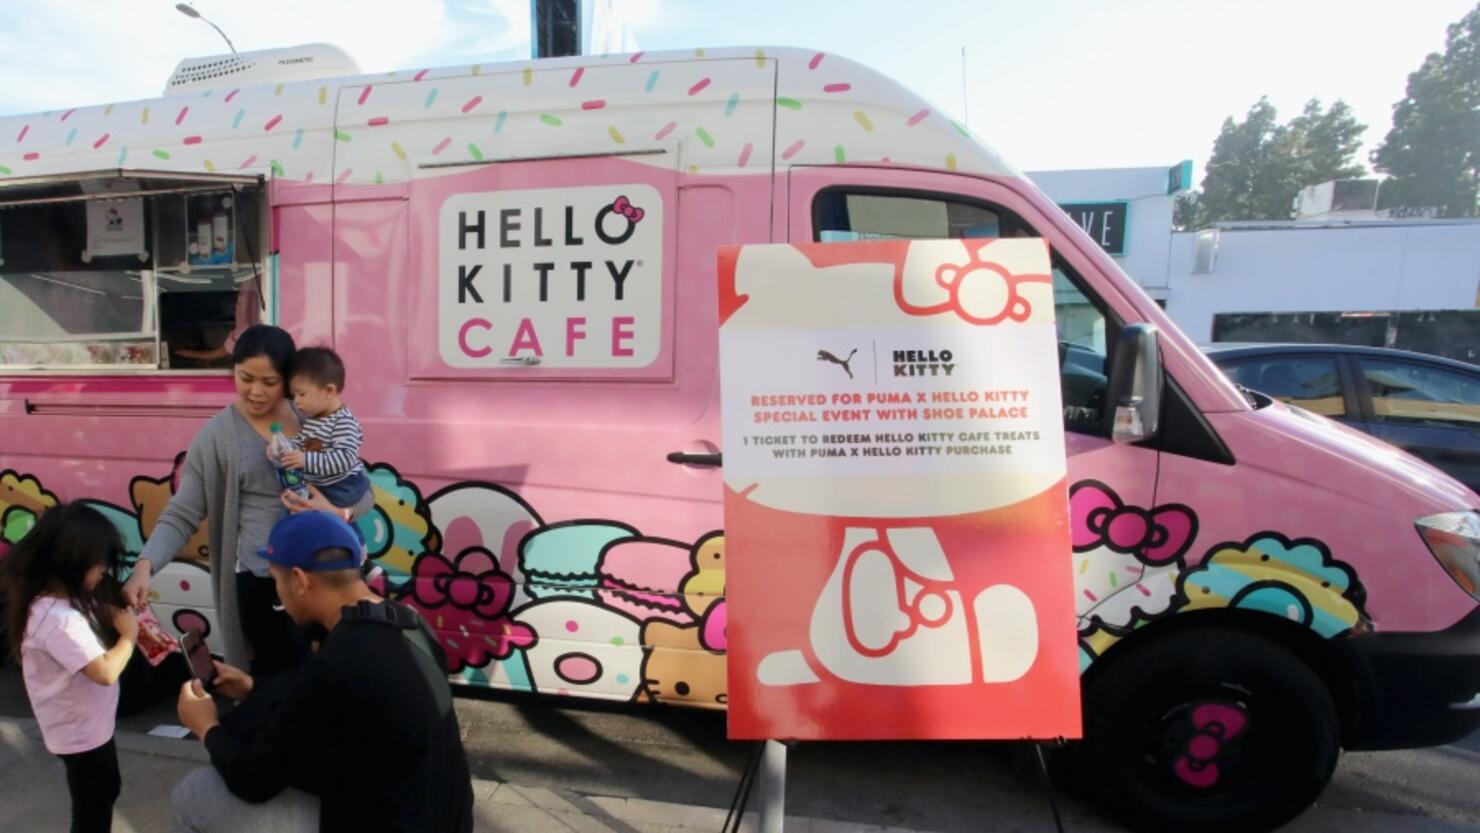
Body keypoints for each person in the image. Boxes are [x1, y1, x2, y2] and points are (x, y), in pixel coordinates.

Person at [171, 511, 475, 833]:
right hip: (445, 816)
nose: (280, 597)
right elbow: (326, 694)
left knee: (194, 795)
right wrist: (251, 686)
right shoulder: (408, 621)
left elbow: (253, 779)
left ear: (301, 581)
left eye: (277, 582)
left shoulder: (337, 662)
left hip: (391, 821)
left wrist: (205, 725)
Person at [122, 325, 373, 676]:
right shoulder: (219, 436)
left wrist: (340, 512)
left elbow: (362, 490)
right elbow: (183, 511)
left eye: (269, 382)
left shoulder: (313, 415)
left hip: (328, 580)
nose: (255, 392)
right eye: (245, 378)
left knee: (337, 682)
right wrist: (145, 566)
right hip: (265, 584)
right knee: (278, 685)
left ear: (287, 380)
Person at [1, 503, 138, 833]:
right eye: (99, 563)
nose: (104, 569)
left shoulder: (53, 598)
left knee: (104, 790)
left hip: (86, 726)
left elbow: (91, 608)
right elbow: (104, 672)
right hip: (81, 733)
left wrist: (112, 612)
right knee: (93, 808)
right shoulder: (59, 621)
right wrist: (129, 637)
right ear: (71, 563)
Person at [276, 347, 371, 511]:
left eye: (301, 394)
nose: (296, 401)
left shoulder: (343, 422)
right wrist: (283, 449)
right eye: (293, 395)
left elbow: (344, 459)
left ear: (329, 391)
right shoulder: (313, 419)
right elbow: (300, 443)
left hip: (342, 485)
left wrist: (305, 460)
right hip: (322, 485)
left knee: (333, 526)